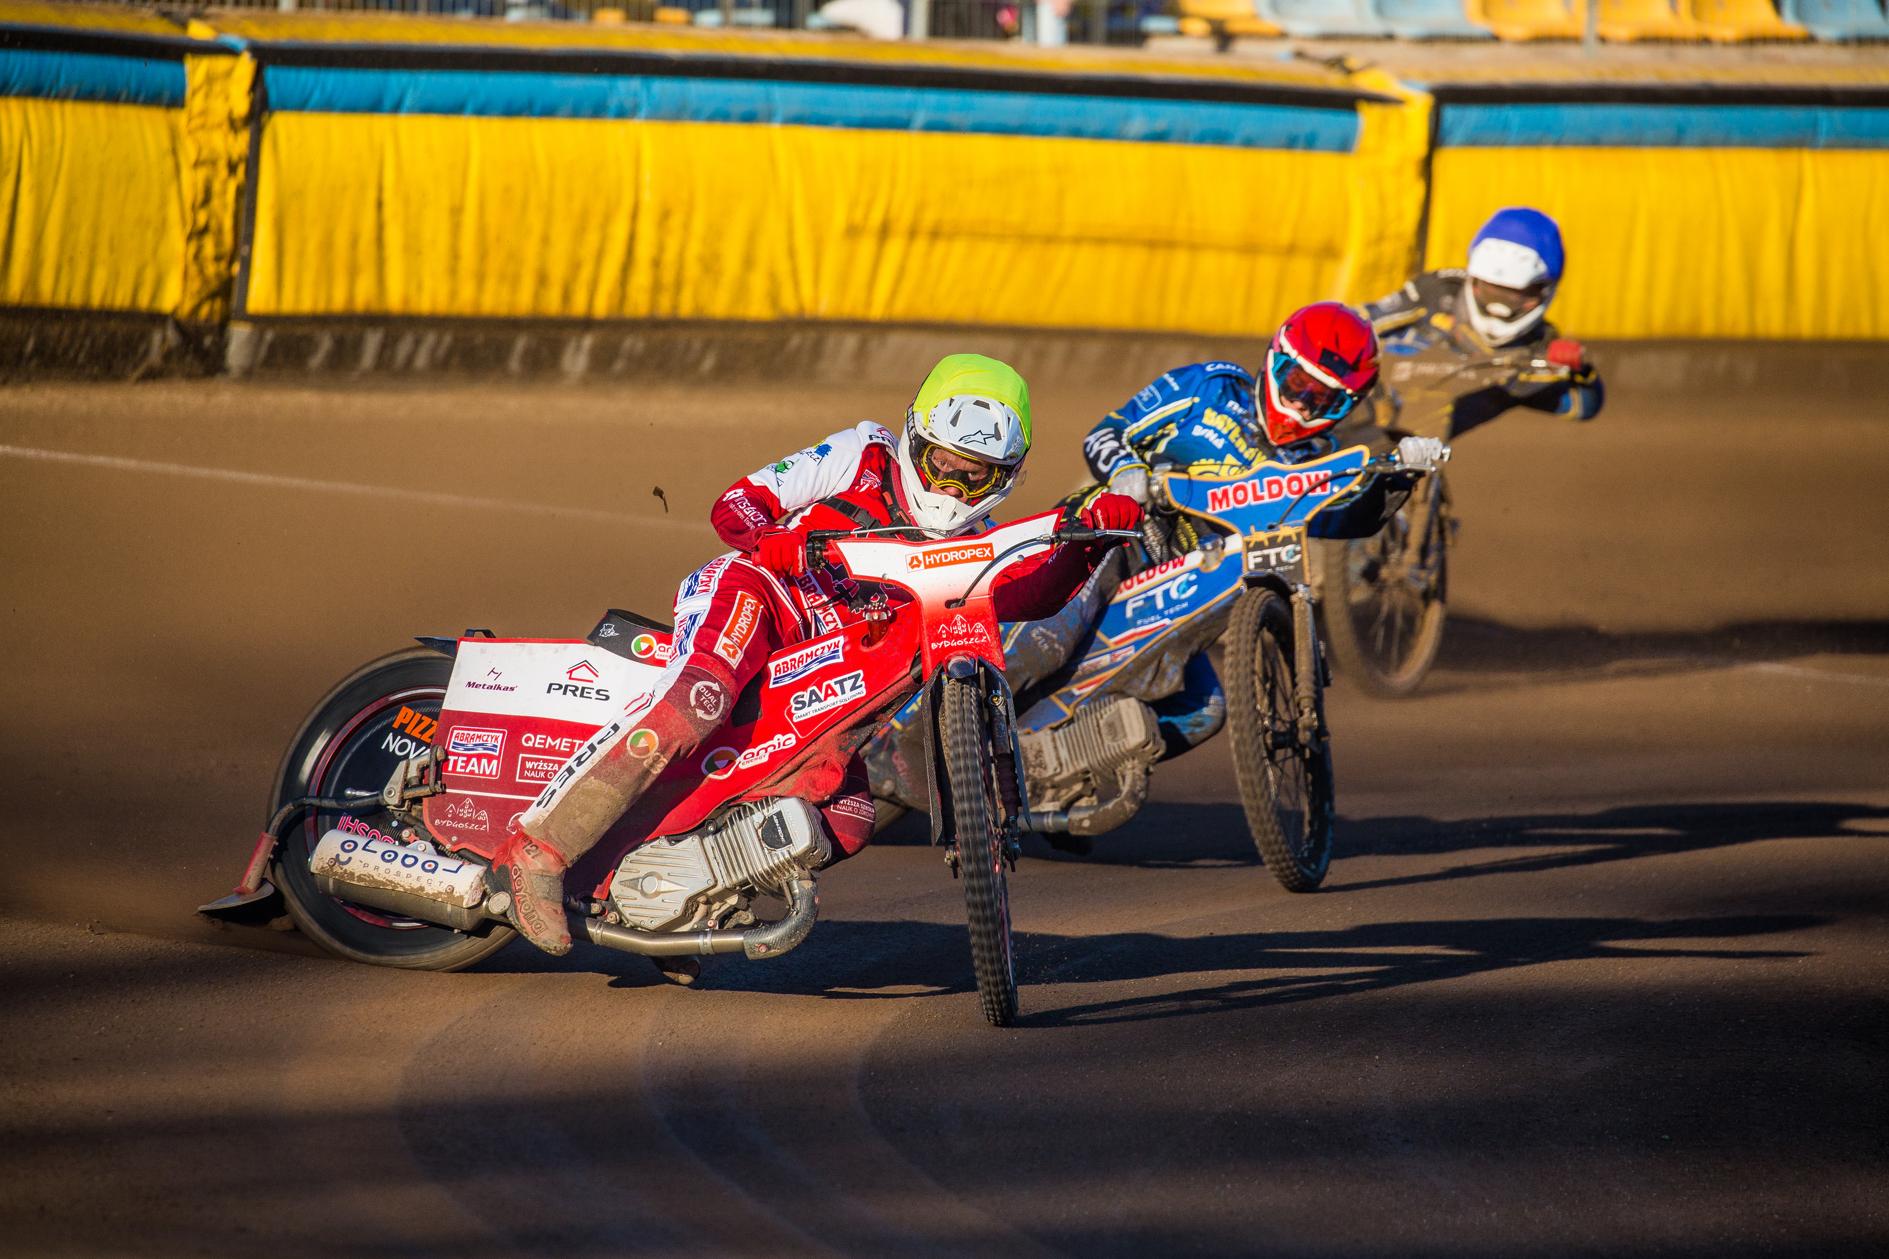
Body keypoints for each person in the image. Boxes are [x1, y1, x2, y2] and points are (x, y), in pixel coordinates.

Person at [491, 354, 1143, 959]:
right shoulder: (861, 452)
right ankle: (540, 846)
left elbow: (1026, 597)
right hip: (763, 594)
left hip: (822, 671)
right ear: (913, 440)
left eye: (978, 475)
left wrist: (1089, 546)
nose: (955, 485)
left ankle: (676, 896)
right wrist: (771, 539)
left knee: (849, 816)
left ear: (1008, 476)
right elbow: (738, 503)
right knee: (701, 698)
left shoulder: (970, 547)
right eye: (943, 462)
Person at [1062, 300, 1442, 762]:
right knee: (1057, 632)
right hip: (1113, 539)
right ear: (1276, 360)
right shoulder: (1208, 387)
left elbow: (1340, 521)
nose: (1303, 405)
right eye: (1300, 383)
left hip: (1180, 598)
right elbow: (1106, 433)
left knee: (1202, 712)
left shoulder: (1315, 459)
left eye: (1323, 400)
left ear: (1347, 407)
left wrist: (1401, 476)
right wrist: (1126, 472)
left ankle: (1068, 769)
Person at [1360, 206, 1603, 436]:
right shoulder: (1438, 291)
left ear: (1545, 291)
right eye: (1493, 290)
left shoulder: (1537, 350)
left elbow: (1581, 407)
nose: (1501, 308)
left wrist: (1582, 370)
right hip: (1345, 414)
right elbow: (1352, 323)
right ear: (1473, 278)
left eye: (1518, 295)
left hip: (1402, 460)